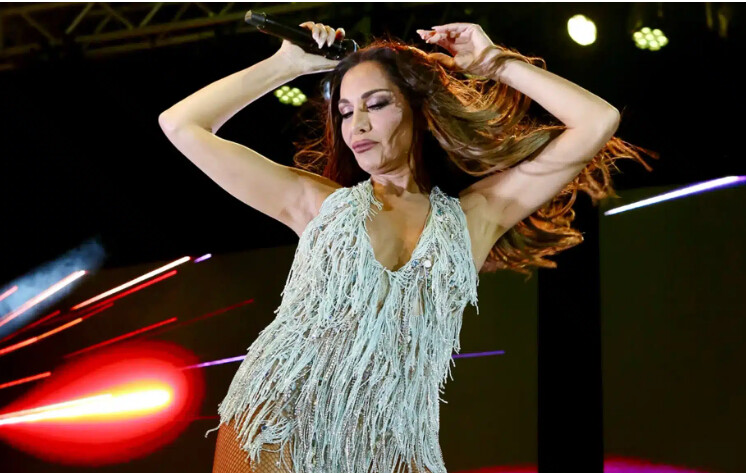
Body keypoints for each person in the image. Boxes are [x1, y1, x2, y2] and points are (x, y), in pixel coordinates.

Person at [159, 20, 655, 473]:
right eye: (346, 111)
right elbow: (181, 124)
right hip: (281, 419)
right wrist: (286, 65)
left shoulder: (475, 218)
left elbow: (597, 120)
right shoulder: (315, 203)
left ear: (417, 109)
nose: (357, 125)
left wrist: (494, 62)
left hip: (397, 443)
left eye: (376, 105)